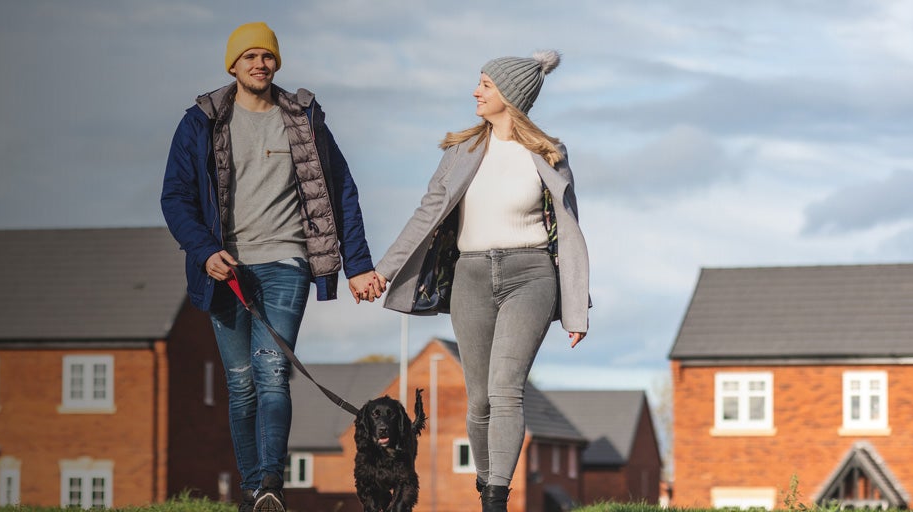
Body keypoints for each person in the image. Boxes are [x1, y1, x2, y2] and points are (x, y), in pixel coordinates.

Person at [160, 21, 384, 512]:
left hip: (287, 261)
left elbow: (341, 192)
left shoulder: (303, 119)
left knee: (272, 370)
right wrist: (203, 251)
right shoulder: (200, 122)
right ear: (233, 65)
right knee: (239, 384)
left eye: (267, 56)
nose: (260, 64)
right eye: (249, 57)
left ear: (276, 62)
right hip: (226, 269)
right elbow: (175, 198)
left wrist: (358, 265)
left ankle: (270, 485)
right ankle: (251, 494)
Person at [374, 50, 590, 512]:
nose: (476, 91)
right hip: (469, 277)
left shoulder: (548, 153)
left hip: (531, 275)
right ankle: (487, 478)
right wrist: (383, 269)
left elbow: (569, 230)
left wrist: (575, 306)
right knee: (479, 403)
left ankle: (495, 498)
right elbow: (427, 214)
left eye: (486, 85)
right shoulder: (462, 151)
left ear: (509, 95)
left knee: (505, 389)